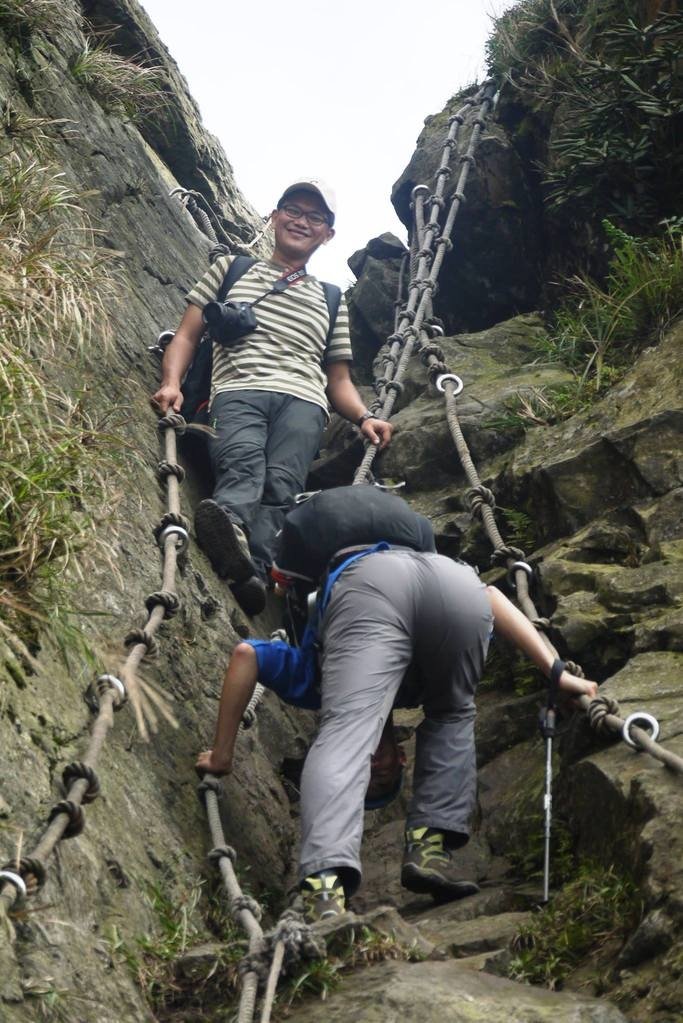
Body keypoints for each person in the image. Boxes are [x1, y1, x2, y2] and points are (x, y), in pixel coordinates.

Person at [196, 489, 599, 922]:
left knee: (347, 734)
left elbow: (246, 656)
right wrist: (556, 672)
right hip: (448, 577)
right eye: (383, 775)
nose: (372, 766)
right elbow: (489, 597)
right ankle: (428, 849)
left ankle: (324, 886)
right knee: (453, 713)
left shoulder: (313, 681)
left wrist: (222, 755)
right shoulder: (403, 690)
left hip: (383, 582)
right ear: (401, 757)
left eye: (365, 779)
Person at [152, 179, 393, 616]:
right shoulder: (232, 269)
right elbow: (187, 335)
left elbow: (336, 378)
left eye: (315, 217)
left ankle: (253, 571)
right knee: (242, 461)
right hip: (238, 389)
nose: (301, 221)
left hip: (304, 403)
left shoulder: (330, 299)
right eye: (293, 210)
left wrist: (363, 417)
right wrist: (172, 382)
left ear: (327, 234)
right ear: (275, 216)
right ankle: (227, 527)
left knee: (282, 488)